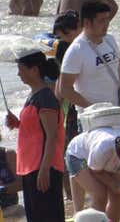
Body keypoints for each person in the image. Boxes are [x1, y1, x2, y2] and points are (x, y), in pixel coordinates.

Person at [10, 50, 65, 222]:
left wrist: (45, 168)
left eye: (21, 69)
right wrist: (17, 123)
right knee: (36, 216)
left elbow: (52, 136)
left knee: (47, 215)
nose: (19, 74)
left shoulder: (45, 97)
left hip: (42, 166)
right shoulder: (34, 95)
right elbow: (36, 129)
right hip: (31, 166)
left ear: (34, 70)